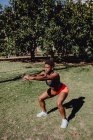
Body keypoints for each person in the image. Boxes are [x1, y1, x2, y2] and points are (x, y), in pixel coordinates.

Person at [23, 59, 69, 128]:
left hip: (62, 89)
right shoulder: (44, 72)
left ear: (52, 67)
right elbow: (38, 75)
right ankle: (44, 112)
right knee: (40, 98)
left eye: (47, 67)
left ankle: (64, 120)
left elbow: (46, 78)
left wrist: (31, 78)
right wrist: (29, 75)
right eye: (45, 67)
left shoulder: (55, 74)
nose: (46, 69)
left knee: (59, 104)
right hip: (53, 90)